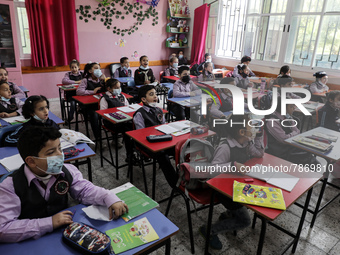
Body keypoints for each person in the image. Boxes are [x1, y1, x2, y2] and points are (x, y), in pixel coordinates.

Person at [0, 126, 128, 242]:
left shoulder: (67, 170)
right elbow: (3, 228)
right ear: (31, 161)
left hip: (64, 233)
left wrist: (108, 197)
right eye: (51, 153)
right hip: (30, 240)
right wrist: (49, 222)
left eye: (59, 148)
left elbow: (84, 190)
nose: (60, 155)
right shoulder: (10, 186)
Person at [200, 113, 263, 250]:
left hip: (239, 184)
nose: (254, 127)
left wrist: (258, 136)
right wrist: (232, 165)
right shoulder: (225, 147)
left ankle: (229, 214)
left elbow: (259, 154)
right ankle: (209, 230)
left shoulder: (246, 142)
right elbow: (212, 170)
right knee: (245, 221)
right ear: (241, 131)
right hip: (222, 190)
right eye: (250, 125)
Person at [133, 85, 177, 187]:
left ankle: (185, 176)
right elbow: (141, 135)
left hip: (162, 140)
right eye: (151, 94)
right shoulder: (139, 114)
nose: (155, 96)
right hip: (148, 144)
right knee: (163, 156)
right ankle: (175, 185)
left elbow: (164, 126)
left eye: (155, 94)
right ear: (143, 99)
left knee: (179, 149)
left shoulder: (159, 110)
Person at [265, 97, 319, 166]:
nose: (294, 108)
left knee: (312, 159)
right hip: (281, 151)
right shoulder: (272, 121)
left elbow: (297, 131)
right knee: (311, 163)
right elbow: (284, 139)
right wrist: (294, 133)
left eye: (294, 106)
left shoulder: (287, 116)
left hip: (291, 146)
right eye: (291, 106)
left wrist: (293, 134)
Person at [99, 79, 133, 160]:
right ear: (109, 89)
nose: (119, 89)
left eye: (119, 87)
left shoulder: (122, 96)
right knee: (127, 130)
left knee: (133, 127)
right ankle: (130, 154)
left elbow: (128, 108)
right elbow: (103, 114)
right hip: (110, 122)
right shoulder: (104, 98)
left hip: (123, 120)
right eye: (116, 88)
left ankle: (134, 149)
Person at [76, 62, 106, 137]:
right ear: (90, 71)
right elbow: (79, 91)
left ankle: (114, 137)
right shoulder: (85, 80)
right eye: (96, 68)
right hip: (89, 105)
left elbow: (109, 90)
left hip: (101, 103)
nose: (98, 70)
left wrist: (105, 81)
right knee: (94, 115)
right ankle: (98, 138)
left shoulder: (101, 79)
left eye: (99, 68)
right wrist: (93, 91)